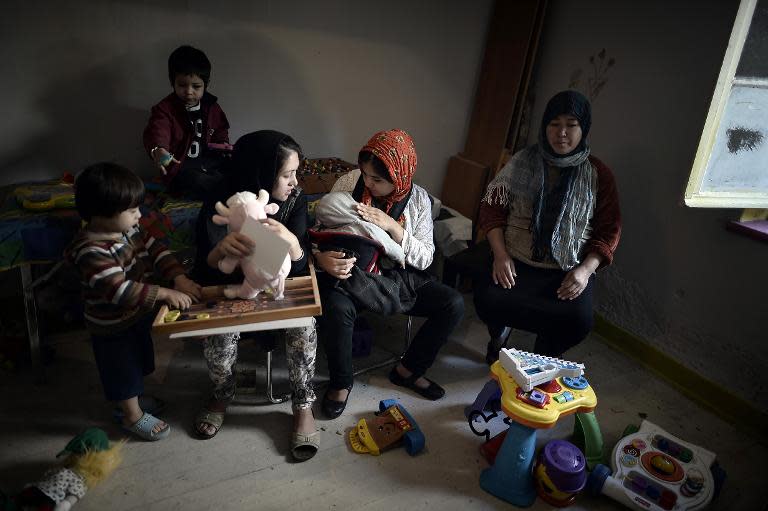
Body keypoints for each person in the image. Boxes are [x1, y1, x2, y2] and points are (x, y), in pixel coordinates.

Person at [315, 129, 465, 419]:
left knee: (453, 304)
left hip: (401, 277)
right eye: (365, 174)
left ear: (400, 175)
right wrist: (322, 258)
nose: (368, 183)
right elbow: (323, 228)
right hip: (355, 271)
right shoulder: (349, 183)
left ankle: (408, 370)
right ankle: (341, 383)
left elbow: (424, 258)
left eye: (377, 179)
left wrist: (392, 227)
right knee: (336, 306)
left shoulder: (420, 201)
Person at [190, 130, 319, 461]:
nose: (294, 182)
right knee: (217, 336)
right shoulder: (224, 203)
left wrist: (291, 242)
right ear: (260, 172)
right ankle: (223, 392)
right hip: (234, 288)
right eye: (287, 174)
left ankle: (303, 404)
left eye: (295, 174)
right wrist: (219, 251)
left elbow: (303, 270)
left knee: (303, 324)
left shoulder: (295, 201)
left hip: (278, 287)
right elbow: (205, 273)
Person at [474, 90, 621, 364]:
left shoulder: (598, 175)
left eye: (571, 125)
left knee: (578, 320)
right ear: (545, 127)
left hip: (565, 270)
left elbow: (609, 230)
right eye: (554, 124)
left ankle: (544, 354)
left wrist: (585, 271)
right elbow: (491, 209)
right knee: (488, 298)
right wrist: (500, 254)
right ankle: (498, 336)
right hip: (516, 260)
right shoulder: (521, 162)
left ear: (584, 128)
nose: (561, 133)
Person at [65, 162, 202, 441]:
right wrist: (164, 293)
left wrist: (179, 277)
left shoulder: (128, 231)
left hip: (135, 316)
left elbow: (157, 250)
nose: (139, 215)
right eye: (131, 210)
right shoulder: (91, 251)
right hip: (111, 325)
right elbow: (119, 291)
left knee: (138, 360)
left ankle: (134, 399)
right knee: (122, 369)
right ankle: (130, 415)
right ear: (101, 215)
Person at [143, 45, 230, 199]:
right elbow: (157, 132)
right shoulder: (165, 109)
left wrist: (223, 148)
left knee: (234, 171)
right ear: (173, 82)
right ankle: (223, 195)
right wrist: (159, 150)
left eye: (196, 86)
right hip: (181, 168)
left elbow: (221, 131)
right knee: (197, 181)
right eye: (182, 85)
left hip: (209, 163)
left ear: (205, 85)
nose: (189, 91)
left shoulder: (212, 107)